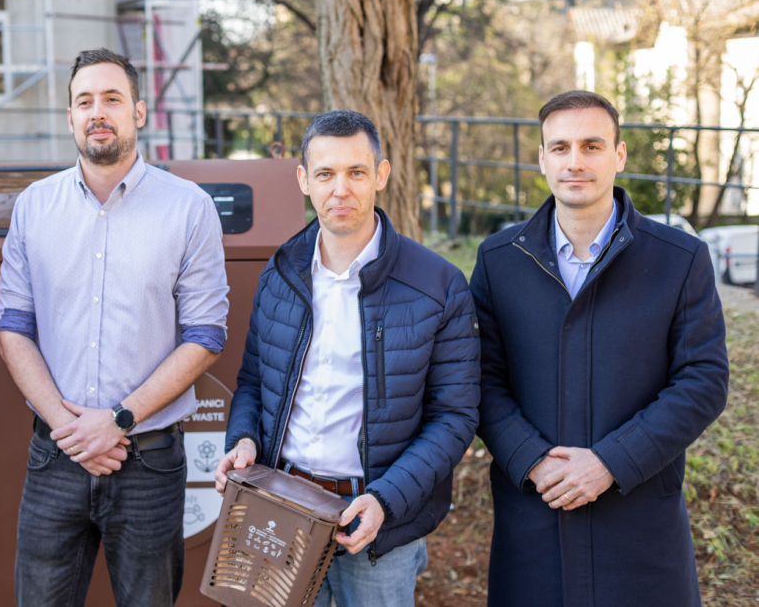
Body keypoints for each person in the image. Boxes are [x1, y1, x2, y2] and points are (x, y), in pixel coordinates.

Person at [470, 90, 729, 606]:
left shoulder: (680, 259)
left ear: (619, 154)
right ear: (542, 159)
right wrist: (533, 460)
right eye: (560, 147)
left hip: (638, 524)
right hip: (534, 515)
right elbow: (479, 379)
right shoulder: (499, 260)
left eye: (591, 145)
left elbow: (703, 380)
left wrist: (611, 461)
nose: (575, 161)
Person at [215, 110, 480, 607]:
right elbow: (253, 380)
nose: (341, 190)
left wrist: (385, 501)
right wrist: (244, 439)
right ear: (304, 181)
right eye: (326, 174)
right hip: (283, 510)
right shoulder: (281, 272)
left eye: (356, 172)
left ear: (381, 174)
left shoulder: (438, 285)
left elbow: (455, 416)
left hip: (377, 521)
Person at [0, 47, 229, 607]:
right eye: (85, 101)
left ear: (139, 112)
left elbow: (205, 336)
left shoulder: (189, 208)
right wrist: (72, 430)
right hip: (56, 455)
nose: (97, 112)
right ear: (70, 117)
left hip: (149, 461)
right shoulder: (34, 207)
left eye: (112, 99)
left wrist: (119, 420)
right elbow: (13, 328)